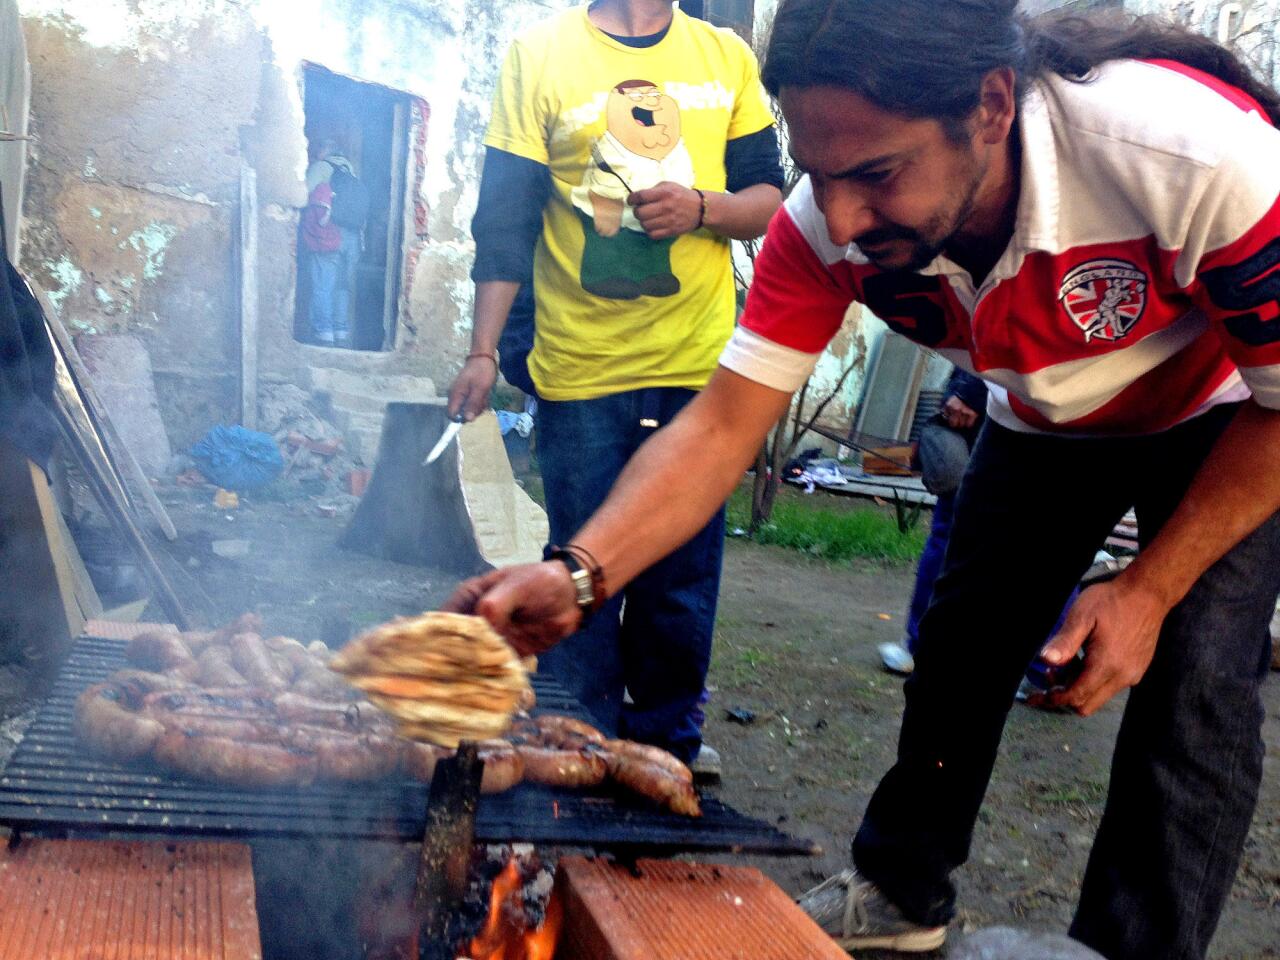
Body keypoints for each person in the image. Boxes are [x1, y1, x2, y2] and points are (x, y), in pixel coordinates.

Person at [445, 3, 1280, 958]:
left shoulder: (1191, 153)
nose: (841, 217)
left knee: (1199, 687)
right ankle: (901, 896)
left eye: (877, 174)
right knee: (962, 650)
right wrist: (581, 573)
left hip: (1229, 416)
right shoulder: (825, 228)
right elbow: (722, 427)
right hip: (1041, 415)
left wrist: (1147, 588)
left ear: (992, 108)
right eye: (819, 173)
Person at [446, 0, 784, 766]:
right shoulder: (540, 55)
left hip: (698, 367)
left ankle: (664, 744)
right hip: (580, 370)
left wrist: (702, 208)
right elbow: (504, 221)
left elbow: (769, 198)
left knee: (683, 575)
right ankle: (574, 738)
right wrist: (482, 351)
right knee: (578, 563)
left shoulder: (724, 58)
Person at [879, 367, 988, 675]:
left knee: (951, 537)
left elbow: (1000, 324)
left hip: (996, 416)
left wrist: (969, 390)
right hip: (1057, 422)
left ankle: (921, 646)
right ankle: (1048, 670)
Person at [303, 140, 364, 346]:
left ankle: (323, 333)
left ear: (325, 150)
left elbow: (302, 194)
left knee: (322, 284)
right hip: (353, 238)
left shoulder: (322, 168)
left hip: (330, 233)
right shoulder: (351, 171)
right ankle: (341, 331)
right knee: (342, 286)